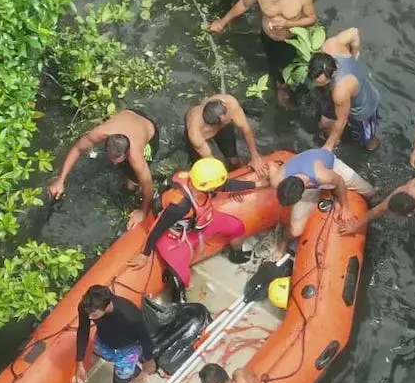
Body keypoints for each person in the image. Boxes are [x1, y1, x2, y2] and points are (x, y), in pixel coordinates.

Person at [128, 158, 258, 300]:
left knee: (236, 227)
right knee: (182, 278)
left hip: (200, 222)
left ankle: (237, 255)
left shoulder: (198, 180)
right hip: (174, 237)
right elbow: (158, 228)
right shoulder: (180, 205)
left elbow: (225, 185)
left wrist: (256, 184)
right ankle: (178, 301)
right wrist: (144, 254)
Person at [207, 0, 317, 106]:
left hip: (290, 39)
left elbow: (312, 18)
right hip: (267, 36)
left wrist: (288, 23)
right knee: (272, 60)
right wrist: (222, 22)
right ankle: (280, 83)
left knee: (289, 64)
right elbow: (245, 4)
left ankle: (287, 86)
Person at [48, 109, 160, 229]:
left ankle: (131, 183)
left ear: (127, 153)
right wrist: (60, 180)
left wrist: (142, 212)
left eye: (117, 159)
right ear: (106, 142)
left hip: (148, 130)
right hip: (131, 113)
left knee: (131, 184)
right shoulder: (100, 133)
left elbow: (148, 185)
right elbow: (77, 149)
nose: (113, 161)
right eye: (110, 156)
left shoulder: (136, 156)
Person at [75, 285, 157, 383]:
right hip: (104, 341)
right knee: (100, 351)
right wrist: (79, 361)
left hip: (127, 348)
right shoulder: (87, 307)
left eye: (93, 314)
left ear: (107, 307)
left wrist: (149, 359)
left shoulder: (129, 315)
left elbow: (145, 338)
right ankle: (136, 373)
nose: (89, 317)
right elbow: (83, 329)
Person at [267, 147, 375, 254]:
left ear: (300, 197)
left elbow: (340, 182)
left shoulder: (323, 176)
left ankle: (366, 205)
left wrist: (345, 207)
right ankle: (284, 240)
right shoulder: (277, 181)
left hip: (330, 167)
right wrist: (269, 166)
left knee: (370, 192)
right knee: (295, 231)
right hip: (305, 178)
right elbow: (272, 165)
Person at [308, 28, 382, 151]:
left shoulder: (340, 91)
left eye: (321, 82)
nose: (315, 84)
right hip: (339, 94)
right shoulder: (330, 45)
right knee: (324, 125)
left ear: (333, 74)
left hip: (364, 107)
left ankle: (372, 142)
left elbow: (342, 120)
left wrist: (329, 146)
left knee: (369, 142)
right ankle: (332, 135)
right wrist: (354, 55)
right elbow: (354, 32)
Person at [184, 94, 266, 174]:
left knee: (234, 161)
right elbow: (211, 161)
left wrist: (255, 156)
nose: (230, 115)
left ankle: (236, 167)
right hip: (201, 135)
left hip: (221, 127)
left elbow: (246, 129)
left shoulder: (229, 103)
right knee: (203, 168)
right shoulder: (195, 134)